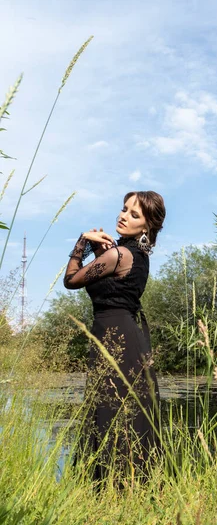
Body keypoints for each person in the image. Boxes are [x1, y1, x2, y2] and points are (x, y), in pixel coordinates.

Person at [64, 191, 166, 485]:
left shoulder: (119, 254)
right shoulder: (135, 256)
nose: (123, 216)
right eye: (124, 209)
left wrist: (81, 244)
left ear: (146, 227)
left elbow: (71, 280)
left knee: (109, 410)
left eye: (134, 215)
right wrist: (99, 253)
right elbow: (111, 289)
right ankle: (128, 486)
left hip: (114, 336)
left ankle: (107, 487)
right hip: (124, 335)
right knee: (121, 411)